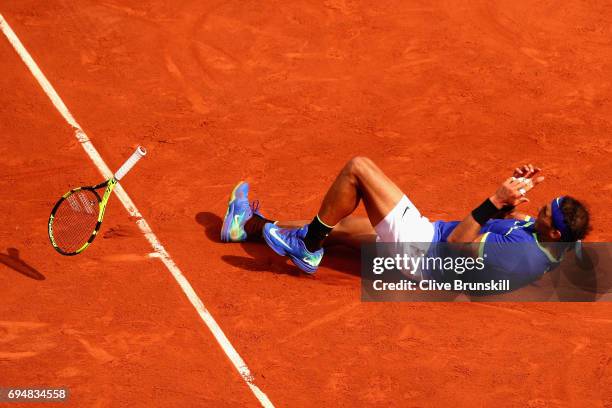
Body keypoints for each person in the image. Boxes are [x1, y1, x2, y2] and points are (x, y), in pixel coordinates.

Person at [220, 157, 591, 283]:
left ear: (554, 231)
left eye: (544, 212)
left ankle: (305, 246)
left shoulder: (521, 257)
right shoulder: (549, 238)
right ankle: (248, 226)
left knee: (358, 169)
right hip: (427, 243)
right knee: (337, 227)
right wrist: (508, 204)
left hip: (423, 251)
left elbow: (456, 244)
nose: (536, 209)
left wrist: (495, 199)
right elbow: (495, 229)